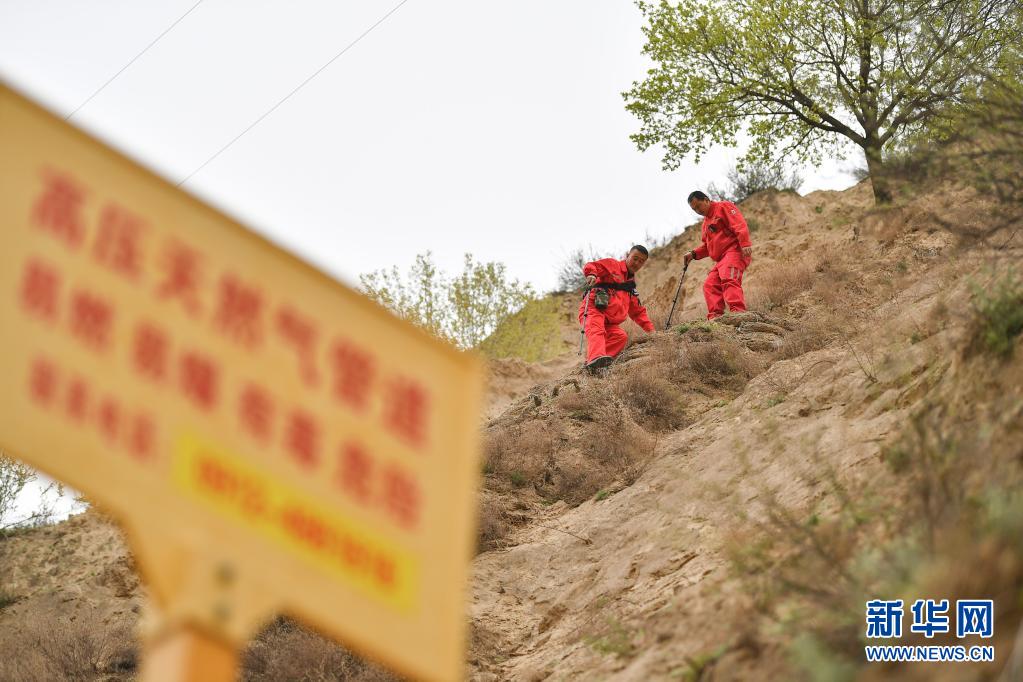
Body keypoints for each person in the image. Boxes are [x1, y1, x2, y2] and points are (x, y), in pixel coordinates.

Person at [578, 245, 655, 370]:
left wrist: (652, 332)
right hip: (593, 310)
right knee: (597, 329)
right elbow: (592, 266)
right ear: (627, 255)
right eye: (635, 258)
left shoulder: (630, 287)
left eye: (641, 261)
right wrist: (591, 274)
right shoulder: (612, 265)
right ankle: (595, 358)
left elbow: (638, 312)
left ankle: (595, 365)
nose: (637, 263)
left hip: (609, 322)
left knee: (620, 336)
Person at [683, 190, 753, 319]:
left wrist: (745, 243)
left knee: (729, 277)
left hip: (734, 250)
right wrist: (693, 254)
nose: (698, 210)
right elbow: (707, 247)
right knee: (710, 285)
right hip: (721, 260)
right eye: (694, 209)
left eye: (698, 206)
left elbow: (739, 224)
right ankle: (715, 318)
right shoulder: (705, 224)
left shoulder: (723, 206)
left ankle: (738, 313)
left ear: (706, 199)